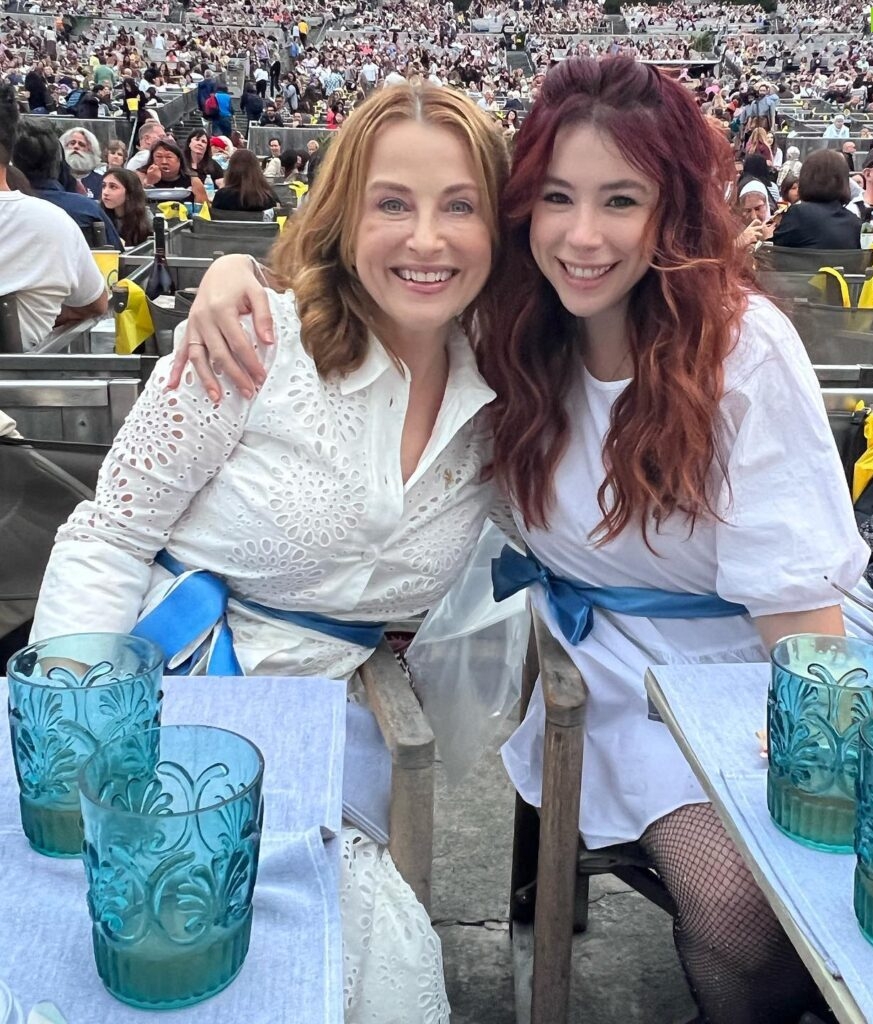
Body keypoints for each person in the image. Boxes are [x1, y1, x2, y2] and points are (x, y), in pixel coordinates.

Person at [172, 58, 867, 1024]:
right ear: (523, 211)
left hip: (754, 664)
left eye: (620, 200)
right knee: (739, 907)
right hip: (610, 670)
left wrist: (818, 772)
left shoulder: (739, 347)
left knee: (837, 876)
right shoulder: (510, 325)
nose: (583, 237)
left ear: (672, 214)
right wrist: (231, 270)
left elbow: (800, 615)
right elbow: (355, 281)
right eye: (557, 199)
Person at [31, 81, 509, 1024]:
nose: (426, 239)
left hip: (327, 718)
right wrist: (72, 735)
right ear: (343, 214)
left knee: (342, 977)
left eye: (460, 205)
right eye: (391, 204)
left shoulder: (516, 389)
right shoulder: (256, 340)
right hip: (160, 678)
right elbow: (110, 532)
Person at [0, 84, 108, 350]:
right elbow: (96, 303)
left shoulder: (53, 220)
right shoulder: (53, 223)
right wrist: (48, 315)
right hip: (21, 384)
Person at [12, 120, 122, 249]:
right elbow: (117, 260)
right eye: (72, 143)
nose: (76, 147)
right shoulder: (87, 210)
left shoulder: (6, 210)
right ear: (59, 159)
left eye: (81, 144)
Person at [772, 149, 861, 249]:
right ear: (843, 181)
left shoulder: (797, 214)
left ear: (805, 178)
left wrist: (765, 237)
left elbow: (777, 251)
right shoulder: (854, 223)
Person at [143, 139, 208, 206]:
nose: (164, 162)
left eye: (169, 157)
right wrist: (149, 182)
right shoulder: (141, 175)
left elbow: (203, 209)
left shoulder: (193, 181)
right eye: (159, 157)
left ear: (179, 160)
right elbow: (135, 204)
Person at [211, 149, 278, 214]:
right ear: (257, 170)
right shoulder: (269, 197)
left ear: (231, 170)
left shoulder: (221, 197)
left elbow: (214, 221)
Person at [100, 166, 152, 246]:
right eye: (104, 186)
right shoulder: (97, 214)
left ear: (129, 193)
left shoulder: (146, 218)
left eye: (113, 187)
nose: (105, 192)